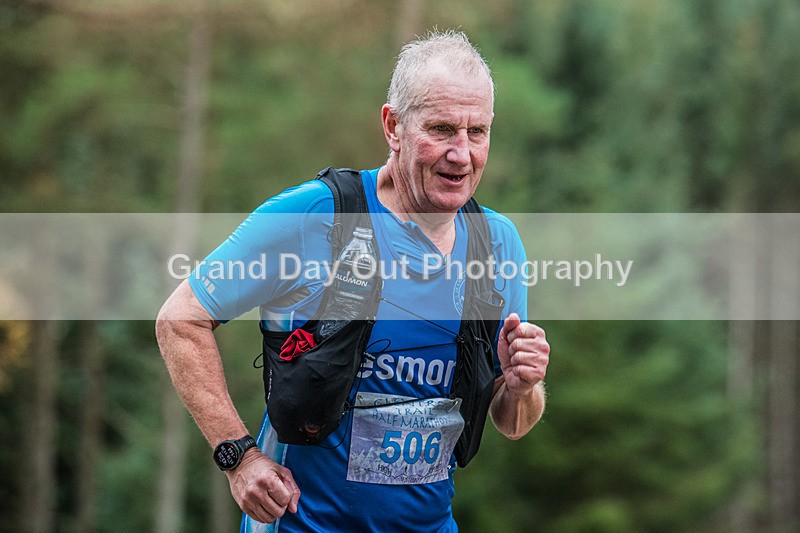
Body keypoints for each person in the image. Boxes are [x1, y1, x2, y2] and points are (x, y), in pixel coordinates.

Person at [156, 29, 549, 532]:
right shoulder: (314, 215)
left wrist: (523, 386)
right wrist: (239, 457)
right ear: (393, 126)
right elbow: (181, 320)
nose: (461, 154)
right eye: (442, 129)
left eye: (478, 132)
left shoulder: (497, 243)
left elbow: (510, 421)